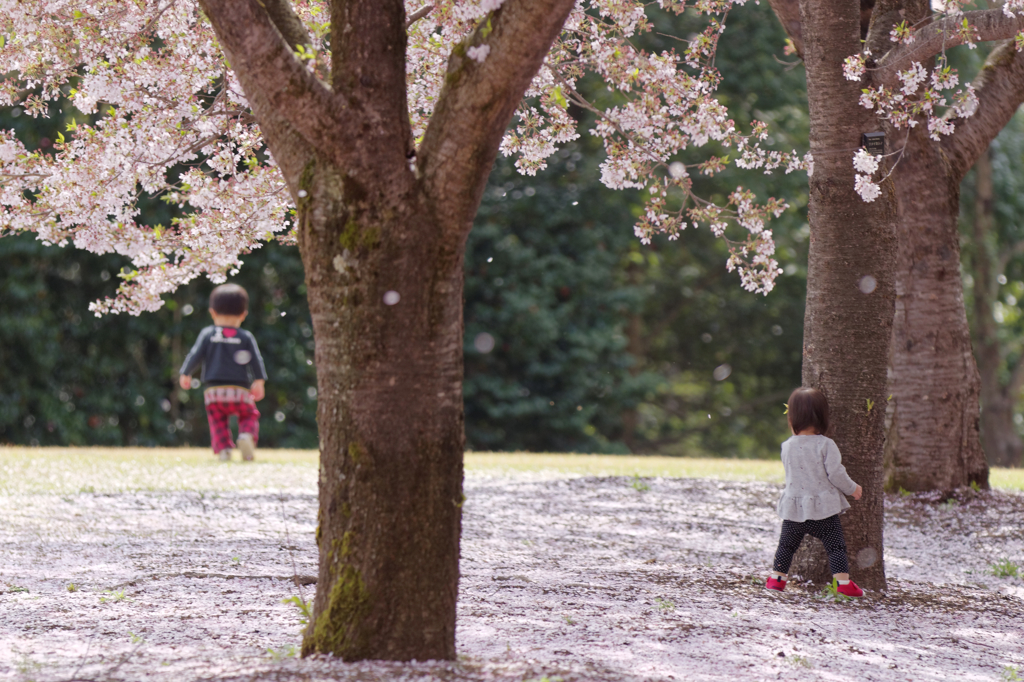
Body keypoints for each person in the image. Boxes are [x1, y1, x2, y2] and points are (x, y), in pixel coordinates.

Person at [766, 387, 865, 597]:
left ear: (791, 418)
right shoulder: (825, 445)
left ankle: (777, 579)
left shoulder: (787, 446)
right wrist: (853, 489)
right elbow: (836, 474)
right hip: (824, 510)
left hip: (794, 509)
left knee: (786, 546)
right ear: (822, 418)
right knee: (836, 547)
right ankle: (842, 583)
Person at [178, 283, 267, 462]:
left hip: (214, 391)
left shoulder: (207, 334)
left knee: (217, 420)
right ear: (243, 314)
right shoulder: (245, 336)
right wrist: (259, 381)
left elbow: (195, 354)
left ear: (212, 312)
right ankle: (246, 436)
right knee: (248, 414)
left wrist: (186, 373)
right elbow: (256, 359)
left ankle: (224, 449)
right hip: (239, 390)